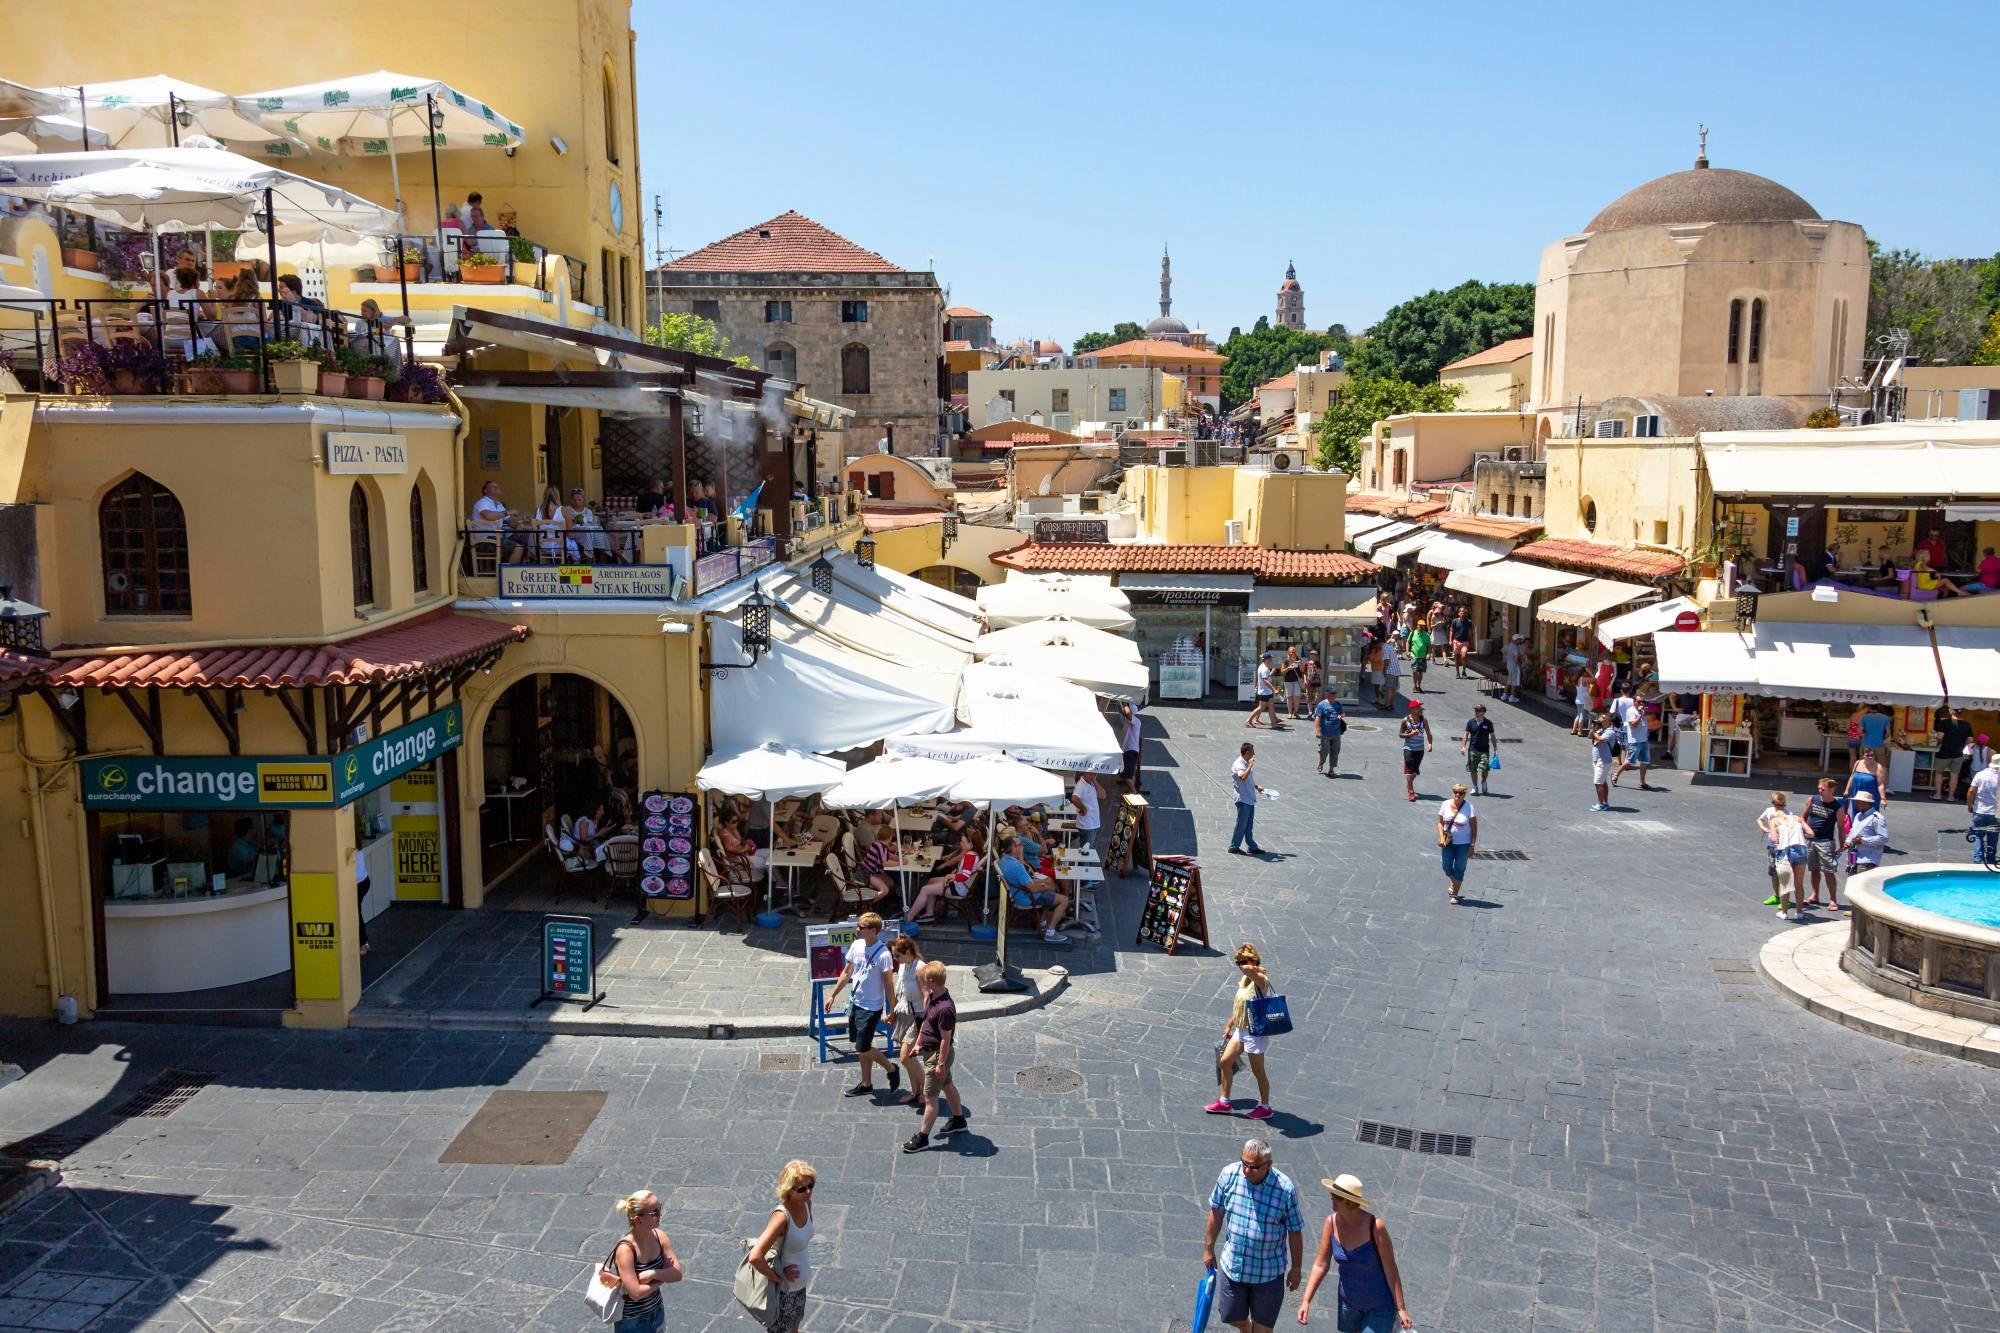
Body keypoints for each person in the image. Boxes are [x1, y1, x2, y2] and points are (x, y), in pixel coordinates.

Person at [1203, 1138, 1305, 1333]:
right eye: (1244, 1163)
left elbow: (1295, 1230)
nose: (1247, 1170)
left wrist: (1297, 1268)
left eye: (1254, 1167)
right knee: (1232, 1318)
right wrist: (1208, 1249)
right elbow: (1216, 1212)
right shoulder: (1229, 1175)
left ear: (1268, 1165)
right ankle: (1246, 1328)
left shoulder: (1284, 1189)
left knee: (1263, 1330)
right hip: (1234, 1268)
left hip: (1268, 1273)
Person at [1297, 1174, 1415, 1331]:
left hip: (1379, 1306)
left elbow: (1390, 1268)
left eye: (1336, 1196)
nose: (1331, 1198)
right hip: (1349, 1304)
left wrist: (1401, 1308)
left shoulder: (1375, 1227)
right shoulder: (1331, 1223)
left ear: (1350, 1201)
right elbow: (1321, 1264)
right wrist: (1306, 1300)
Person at [822, 913, 898, 1097]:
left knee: (862, 1046)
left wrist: (891, 1010)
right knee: (861, 1045)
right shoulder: (856, 945)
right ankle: (866, 1083)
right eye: (858, 925)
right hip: (855, 1002)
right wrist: (832, 995)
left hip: (872, 1007)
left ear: (873, 931)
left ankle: (891, 1067)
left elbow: (889, 985)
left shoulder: (884, 955)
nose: (857, 929)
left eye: (861, 927)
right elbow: (847, 972)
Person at [901, 960, 968, 1151]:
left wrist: (940, 1063)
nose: (920, 981)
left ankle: (922, 1138)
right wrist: (919, 1044)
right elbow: (926, 1024)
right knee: (947, 1084)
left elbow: (946, 1040)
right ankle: (958, 1120)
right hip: (931, 1052)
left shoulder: (945, 1008)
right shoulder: (932, 997)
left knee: (930, 1099)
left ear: (931, 980)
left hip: (938, 1056)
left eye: (922, 979)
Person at [1208, 942, 1277, 1118]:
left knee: (1258, 1071)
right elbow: (1241, 1004)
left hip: (1255, 1032)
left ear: (1253, 960)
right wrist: (1230, 1023)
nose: (1240, 966)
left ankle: (1265, 1106)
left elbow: (1248, 969)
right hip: (1241, 1029)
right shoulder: (1245, 980)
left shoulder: (1262, 981)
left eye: (1243, 961)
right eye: (1238, 962)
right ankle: (1224, 1102)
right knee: (1225, 1062)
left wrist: (1256, 968)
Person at [746, 1162, 816, 1333]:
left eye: (810, 1185)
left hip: (799, 1288)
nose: (808, 1191)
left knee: (794, 1326)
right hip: (785, 1293)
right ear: (788, 1190)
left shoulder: (806, 1204)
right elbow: (755, 1257)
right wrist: (779, 1277)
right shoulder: (781, 1218)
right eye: (801, 1188)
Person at [602, 1190, 681, 1330]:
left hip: (657, 1312)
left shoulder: (660, 1236)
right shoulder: (626, 1250)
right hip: (632, 1322)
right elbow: (636, 1293)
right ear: (638, 1219)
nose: (660, 1215)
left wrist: (654, 1274)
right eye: (655, 1212)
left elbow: (677, 1274)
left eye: (660, 1208)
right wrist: (662, 1279)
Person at [998, 834, 1069, 942]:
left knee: (1051, 888)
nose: (1022, 846)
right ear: (1013, 848)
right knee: (1064, 900)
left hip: (1018, 893)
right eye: (1019, 845)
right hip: (1027, 897)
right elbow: (1033, 888)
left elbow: (1024, 879)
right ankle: (1050, 932)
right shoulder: (1016, 866)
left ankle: (1042, 922)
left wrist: (1021, 858)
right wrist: (1045, 886)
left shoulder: (1004, 860)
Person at [906, 827, 980, 924]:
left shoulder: (969, 857)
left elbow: (965, 876)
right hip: (960, 884)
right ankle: (929, 913)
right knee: (931, 881)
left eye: (963, 841)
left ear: (970, 844)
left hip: (958, 888)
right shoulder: (972, 853)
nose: (961, 843)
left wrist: (950, 876)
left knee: (925, 889)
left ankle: (909, 918)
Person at [887, 934, 926, 1104]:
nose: (894, 959)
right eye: (893, 955)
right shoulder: (903, 966)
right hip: (903, 1015)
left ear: (909, 952)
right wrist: (892, 1013)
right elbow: (900, 993)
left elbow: (927, 996)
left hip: (917, 1017)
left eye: (897, 955)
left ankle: (927, 1090)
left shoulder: (921, 968)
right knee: (910, 1058)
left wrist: (927, 1023)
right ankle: (916, 1092)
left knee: (905, 1057)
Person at [1800, 778, 1846, 910]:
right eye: (1819, 788)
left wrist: (1842, 847)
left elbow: (1842, 828)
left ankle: (1833, 900)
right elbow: (1802, 817)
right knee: (1813, 869)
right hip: (1810, 841)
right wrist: (1806, 830)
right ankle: (1814, 895)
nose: (1820, 791)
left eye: (1823, 789)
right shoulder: (1812, 800)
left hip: (1826, 842)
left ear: (1831, 790)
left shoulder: (1837, 807)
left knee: (1828, 871)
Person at [1763, 792, 1809, 921]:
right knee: (1799, 884)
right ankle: (1799, 912)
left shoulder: (1774, 820)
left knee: (1785, 883)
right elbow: (1810, 833)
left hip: (1785, 851)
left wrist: (1778, 837)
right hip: (1800, 849)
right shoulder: (1796, 818)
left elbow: (1773, 839)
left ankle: (1784, 912)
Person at [1608, 683, 1653, 790]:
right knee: (1630, 762)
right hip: (1635, 740)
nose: (1641, 703)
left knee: (1645, 761)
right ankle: (1616, 774)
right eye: (1639, 702)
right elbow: (1634, 724)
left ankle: (1642, 781)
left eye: (1643, 702)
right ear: (1634, 702)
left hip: (1643, 740)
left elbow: (1645, 724)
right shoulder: (1631, 711)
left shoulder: (1642, 712)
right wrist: (1640, 715)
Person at [1437, 783, 1477, 905]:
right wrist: (1441, 837)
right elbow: (1440, 822)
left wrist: (1472, 846)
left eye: (1461, 793)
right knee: (1446, 865)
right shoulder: (1445, 804)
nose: (1458, 795)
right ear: (1453, 792)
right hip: (1448, 842)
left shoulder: (1469, 807)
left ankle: (1455, 893)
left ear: (1465, 795)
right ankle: (1455, 881)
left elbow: (1474, 828)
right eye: (1456, 792)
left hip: (1463, 844)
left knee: (1460, 867)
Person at [1230, 743, 1265, 855]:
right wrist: (1250, 766)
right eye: (1252, 752)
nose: (1254, 754)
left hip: (1249, 798)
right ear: (1247, 752)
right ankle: (1234, 846)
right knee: (1241, 824)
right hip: (1243, 799)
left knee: (1249, 825)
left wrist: (1256, 786)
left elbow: (1249, 778)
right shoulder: (1238, 764)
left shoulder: (1245, 763)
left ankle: (1252, 846)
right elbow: (1243, 777)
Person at [1932, 707, 1973, 801]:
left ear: (1951, 711)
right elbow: (1970, 740)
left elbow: (1939, 737)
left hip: (1944, 752)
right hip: (1958, 753)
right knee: (1954, 775)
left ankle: (1938, 795)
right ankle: (1951, 797)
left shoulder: (1943, 723)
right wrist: (1961, 745)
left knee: (1939, 773)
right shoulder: (1967, 724)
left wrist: (1940, 741)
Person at [1842, 791, 1888, 872]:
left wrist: (1863, 841)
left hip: (1867, 860)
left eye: (1858, 802)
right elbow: (1852, 831)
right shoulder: (1858, 816)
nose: (1856, 804)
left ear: (1867, 803)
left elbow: (1883, 838)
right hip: (1853, 858)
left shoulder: (1877, 818)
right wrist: (1848, 841)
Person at [1968, 751, 2000, 865]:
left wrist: (1970, 805)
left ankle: (1978, 859)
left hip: (1980, 811)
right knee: (1993, 838)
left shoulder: (1981, 774)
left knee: (1978, 836)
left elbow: (1971, 791)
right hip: (1996, 813)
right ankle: (1990, 861)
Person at [1397, 702, 1432, 803]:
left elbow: (1429, 733)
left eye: (1420, 707)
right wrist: (1410, 734)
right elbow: (1400, 734)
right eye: (1418, 708)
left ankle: (1409, 783)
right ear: (1412, 709)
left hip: (1419, 749)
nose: (1420, 709)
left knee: (1415, 771)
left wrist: (1430, 744)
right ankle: (1411, 791)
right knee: (1410, 770)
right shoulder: (1405, 720)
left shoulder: (1423, 720)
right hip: (1408, 748)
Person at [1588, 711, 1618, 812]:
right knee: (1603, 782)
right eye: (1600, 721)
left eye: (1603, 721)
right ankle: (1605, 802)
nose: (1601, 722)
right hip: (1597, 760)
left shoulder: (1610, 732)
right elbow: (1589, 736)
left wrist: (1595, 732)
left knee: (1597, 782)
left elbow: (1601, 740)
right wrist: (1593, 728)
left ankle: (1600, 804)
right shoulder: (1600, 730)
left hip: (1603, 761)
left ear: (1609, 722)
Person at [1312, 687, 1345, 778]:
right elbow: (1318, 718)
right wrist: (1318, 731)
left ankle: (1331, 770)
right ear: (1328, 694)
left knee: (1335, 751)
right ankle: (1321, 761)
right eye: (1332, 693)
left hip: (1336, 732)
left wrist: (1341, 716)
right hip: (1325, 733)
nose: (1334, 695)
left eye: (1335, 693)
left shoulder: (1338, 704)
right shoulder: (1322, 705)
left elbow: (1342, 713)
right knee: (1324, 750)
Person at [1844, 747, 1887, 814]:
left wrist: (1883, 799)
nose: (1870, 757)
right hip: (1856, 794)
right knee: (1856, 814)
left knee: (1870, 816)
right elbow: (1852, 777)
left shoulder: (1878, 767)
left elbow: (1880, 785)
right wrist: (1847, 790)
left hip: (1870, 796)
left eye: (1872, 755)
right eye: (1867, 755)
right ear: (1863, 755)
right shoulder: (1857, 763)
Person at [1248, 653, 1283, 730]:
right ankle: (1249, 720)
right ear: (1267, 659)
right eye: (1270, 658)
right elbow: (1265, 681)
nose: (1271, 659)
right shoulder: (1264, 668)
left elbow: (1267, 679)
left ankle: (1274, 724)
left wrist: (1273, 689)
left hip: (1267, 691)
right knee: (1261, 708)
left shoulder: (1264, 667)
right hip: (1264, 692)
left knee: (1271, 707)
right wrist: (1274, 689)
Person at [1071, 771, 1102, 856]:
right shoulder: (1081, 785)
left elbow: (1103, 795)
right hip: (1087, 825)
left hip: (1093, 823)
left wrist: (1095, 781)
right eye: (1091, 774)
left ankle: (1082, 867)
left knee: (1085, 851)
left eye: (1095, 774)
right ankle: (1082, 868)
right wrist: (1083, 808)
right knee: (1085, 853)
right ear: (1085, 773)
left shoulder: (1091, 783)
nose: (1092, 776)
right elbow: (1074, 799)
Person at [1118, 700, 1145, 793]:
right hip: (1129, 750)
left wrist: (1124, 703)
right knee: (1131, 775)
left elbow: (1128, 712)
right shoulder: (1128, 721)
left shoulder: (1135, 721)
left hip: (1130, 751)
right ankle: (1131, 791)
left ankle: (1134, 793)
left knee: (1124, 774)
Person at [1448, 608, 1473, 679]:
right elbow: (1451, 631)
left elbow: (1470, 632)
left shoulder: (1468, 621)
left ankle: (1464, 671)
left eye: (1463, 612)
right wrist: (1450, 640)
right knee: (1456, 657)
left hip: (1465, 641)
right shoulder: (1455, 621)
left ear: (1465, 614)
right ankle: (1457, 672)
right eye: (1461, 612)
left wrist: (1472, 641)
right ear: (1458, 613)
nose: (1462, 614)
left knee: (1464, 655)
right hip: (1456, 641)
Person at [1280, 646, 1304, 720]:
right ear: (1288, 652)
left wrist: (1300, 665)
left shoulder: (1299, 660)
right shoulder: (1286, 661)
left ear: (1295, 653)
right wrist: (1288, 668)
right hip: (1288, 681)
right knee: (1289, 697)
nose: (1291, 653)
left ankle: (1296, 712)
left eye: (1293, 652)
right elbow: (1282, 672)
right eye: (1290, 652)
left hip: (1297, 680)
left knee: (1297, 696)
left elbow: (1302, 670)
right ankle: (1290, 713)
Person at [1406, 620, 1430, 693]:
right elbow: (1408, 641)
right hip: (1414, 655)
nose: (1422, 627)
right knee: (1415, 671)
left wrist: (1428, 653)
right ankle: (1414, 685)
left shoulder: (1426, 635)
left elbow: (1429, 645)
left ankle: (1418, 686)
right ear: (1417, 625)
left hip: (1423, 656)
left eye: (1423, 626)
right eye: (1420, 625)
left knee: (1420, 672)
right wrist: (1407, 651)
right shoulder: (1413, 633)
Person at [1381, 636, 1403, 712]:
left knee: (1389, 689)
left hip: (1390, 671)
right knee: (1393, 689)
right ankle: (1390, 704)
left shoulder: (1385, 648)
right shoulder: (1389, 646)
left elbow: (1387, 660)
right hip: (1396, 670)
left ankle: (1387, 705)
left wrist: (1384, 670)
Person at [1571, 669, 1594, 737]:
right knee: (1582, 716)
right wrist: (1590, 671)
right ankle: (1580, 732)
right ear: (1583, 672)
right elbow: (1594, 679)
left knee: (1578, 715)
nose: (1586, 674)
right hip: (1583, 700)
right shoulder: (1583, 679)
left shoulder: (1577, 679)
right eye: (1586, 672)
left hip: (1578, 699)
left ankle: (1574, 730)